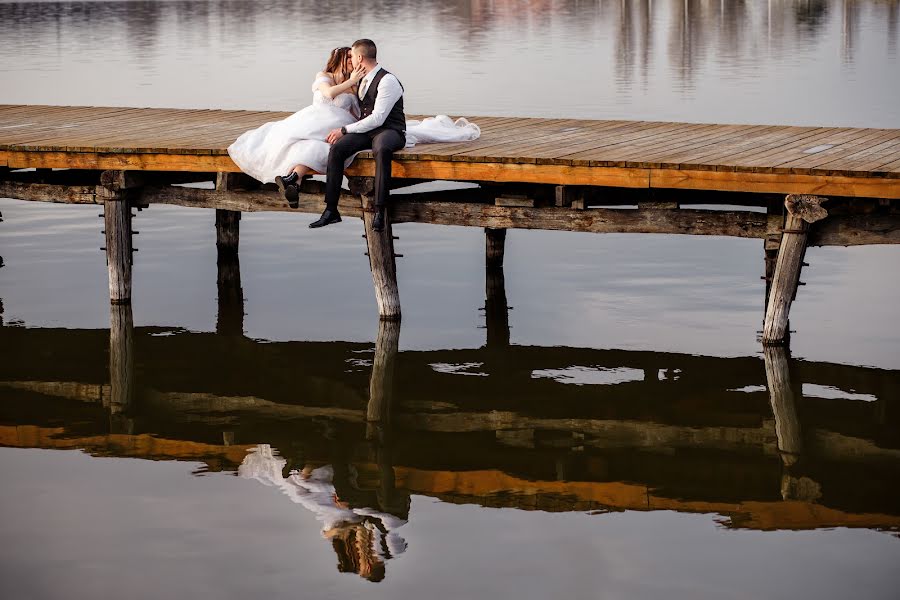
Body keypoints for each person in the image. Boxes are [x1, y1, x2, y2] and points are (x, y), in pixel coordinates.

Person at [227, 47, 365, 207]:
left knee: (313, 148)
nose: (351, 60)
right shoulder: (324, 76)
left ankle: (293, 181)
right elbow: (328, 93)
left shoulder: (355, 87)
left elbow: (357, 114)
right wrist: (351, 81)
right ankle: (293, 182)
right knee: (290, 141)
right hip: (312, 122)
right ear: (338, 58)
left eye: (353, 57)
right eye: (348, 56)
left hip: (332, 127)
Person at [309, 39, 406, 232]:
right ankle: (331, 210)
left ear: (360, 57)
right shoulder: (360, 78)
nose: (350, 60)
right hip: (367, 130)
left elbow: (378, 118)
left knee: (382, 149)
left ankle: (380, 210)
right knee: (337, 149)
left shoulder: (388, 81)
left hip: (390, 130)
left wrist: (344, 129)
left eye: (352, 56)